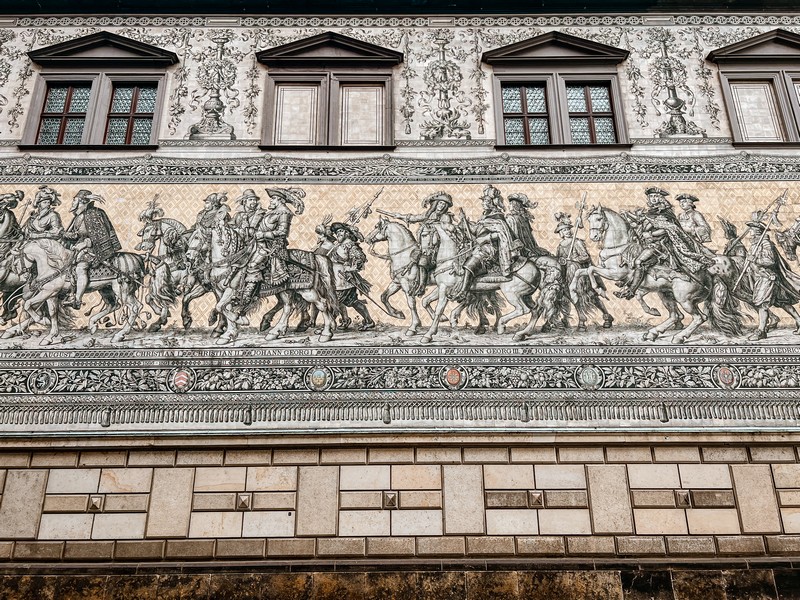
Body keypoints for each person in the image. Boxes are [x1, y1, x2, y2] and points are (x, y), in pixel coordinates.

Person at [615, 187, 713, 300]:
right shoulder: (652, 211)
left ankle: (631, 291)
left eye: (656, 196)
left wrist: (651, 235)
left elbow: (667, 229)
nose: (653, 199)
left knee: (639, 261)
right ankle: (629, 282)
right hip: (649, 243)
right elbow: (641, 221)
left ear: (661, 198)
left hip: (660, 244)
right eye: (651, 196)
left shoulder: (665, 212)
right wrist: (628, 217)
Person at [237, 187, 305, 309]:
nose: (271, 201)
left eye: (273, 198)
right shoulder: (273, 211)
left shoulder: (284, 212)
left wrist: (262, 235)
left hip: (273, 246)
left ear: (280, 200)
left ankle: (247, 296)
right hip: (260, 243)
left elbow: (282, 232)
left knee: (253, 265)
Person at [380, 191, 456, 296]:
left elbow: (447, 230)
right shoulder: (429, 214)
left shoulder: (445, 217)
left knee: (423, 262)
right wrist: (400, 216)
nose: (441, 206)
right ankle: (413, 280)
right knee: (412, 257)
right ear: (436, 204)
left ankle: (421, 286)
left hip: (438, 248)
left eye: (444, 205)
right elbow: (414, 218)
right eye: (440, 203)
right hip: (424, 245)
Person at [451, 184, 518, 301]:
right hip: (481, 247)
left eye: (485, 201)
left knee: (470, 264)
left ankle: (463, 292)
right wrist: (463, 220)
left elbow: (502, 235)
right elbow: (475, 231)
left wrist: (486, 238)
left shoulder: (497, 217)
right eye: (483, 201)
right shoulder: (484, 216)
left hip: (490, 248)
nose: (482, 203)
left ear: (491, 203)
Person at [745, 210, 800, 340]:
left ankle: (761, 331)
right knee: (782, 302)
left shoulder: (765, 244)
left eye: (752, 229)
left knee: (762, 304)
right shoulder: (754, 244)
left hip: (767, 277)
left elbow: (770, 261)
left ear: (758, 231)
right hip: (759, 277)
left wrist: (755, 260)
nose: (750, 231)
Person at [62, 190, 121, 309]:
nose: (73, 202)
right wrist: (62, 234)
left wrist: (84, 244)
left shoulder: (93, 214)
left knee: (81, 267)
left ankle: (77, 299)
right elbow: (76, 235)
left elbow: (100, 235)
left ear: (82, 201)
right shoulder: (78, 216)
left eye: (75, 200)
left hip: (94, 248)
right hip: (79, 247)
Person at [554, 212, 613, 331]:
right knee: (571, 296)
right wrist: (561, 261)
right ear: (561, 233)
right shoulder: (560, 245)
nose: (568, 231)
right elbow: (559, 259)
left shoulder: (577, 242)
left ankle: (606, 315)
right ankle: (581, 320)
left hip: (580, 273)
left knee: (590, 296)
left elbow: (585, 257)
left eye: (568, 229)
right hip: (567, 274)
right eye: (564, 230)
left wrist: (574, 259)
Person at [328, 222, 375, 331]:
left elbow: (360, 258)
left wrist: (350, 268)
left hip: (345, 279)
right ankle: (368, 321)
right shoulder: (338, 245)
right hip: (336, 279)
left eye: (340, 231)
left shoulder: (350, 245)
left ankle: (329, 326)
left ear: (346, 232)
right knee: (352, 302)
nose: (338, 234)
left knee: (335, 302)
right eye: (336, 232)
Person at [222, 189, 265, 288]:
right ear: (244, 201)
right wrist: (238, 230)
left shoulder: (260, 214)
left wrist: (249, 231)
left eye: (254, 200)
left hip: (254, 243)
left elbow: (261, 230)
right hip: (239, 243)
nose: (253, 202)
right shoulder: (239, 215)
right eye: (251, 200)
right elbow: (231, 227)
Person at [506, 192, 548, 258]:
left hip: (520, 249)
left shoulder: (512, 218)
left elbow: (513, 236)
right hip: (529, 248)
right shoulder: (523, 217)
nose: (508, 206)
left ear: (515, 205)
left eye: (511, 204)